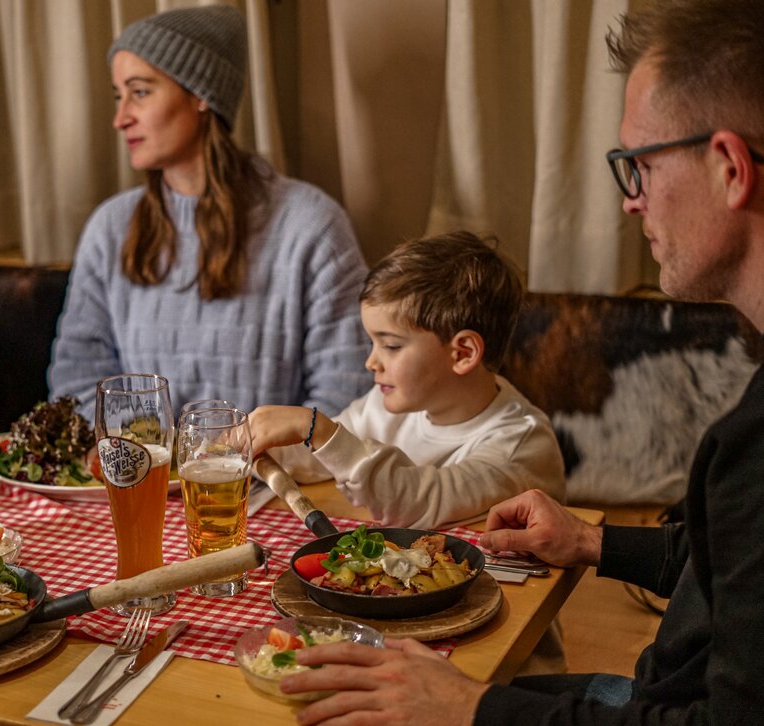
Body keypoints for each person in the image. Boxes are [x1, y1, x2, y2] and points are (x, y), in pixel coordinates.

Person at [276, 1, 764, 723]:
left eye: (637, 166)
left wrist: (471, 708)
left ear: (726, 166)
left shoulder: (753, 450)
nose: (629, 204)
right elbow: (727, 569)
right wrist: (591, 541)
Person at [48, 4, 370, 420]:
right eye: (119, 95)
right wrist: (150, 459)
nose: (120, 118)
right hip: (139, 478)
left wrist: (231, 463)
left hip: (268, 481)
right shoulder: (111, 227)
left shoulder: (311, 227)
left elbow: (346, 394)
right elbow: (78, 380)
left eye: (140, 92)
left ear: (201, 94)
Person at [250, 231, 565, 530]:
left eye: (390, 346)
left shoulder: (520, 445)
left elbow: (419, 502)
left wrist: (318, 429)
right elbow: (324, 461)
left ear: (462, 353)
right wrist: (244, 445)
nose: (371, 362)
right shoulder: (385, 405)